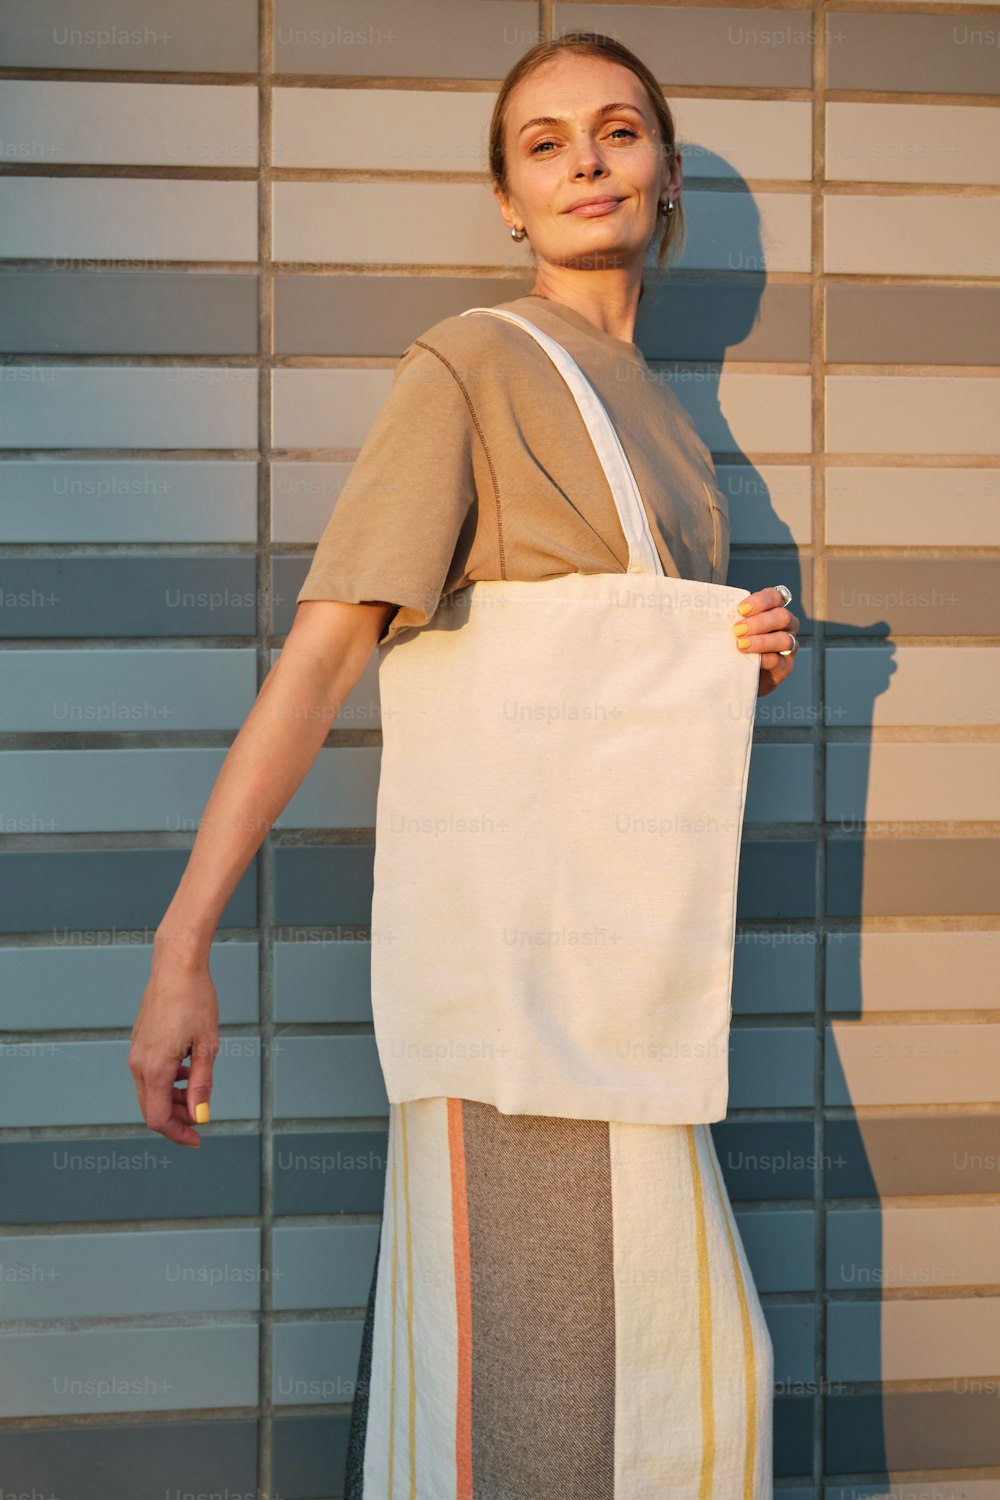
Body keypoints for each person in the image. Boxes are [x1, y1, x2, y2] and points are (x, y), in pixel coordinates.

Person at [130, 29, 799, 1499]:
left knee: (647, 1413)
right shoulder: (474, 365)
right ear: (507, 196)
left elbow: (599, 676)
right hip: (521, 1008)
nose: (586, 162)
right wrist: (185, 945)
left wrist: (719, 651)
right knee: (563, 1423)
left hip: (622, 991)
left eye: (617, 131)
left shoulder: (675, 435)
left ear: (664, 170)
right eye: (546, 142)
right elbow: (321, 661)